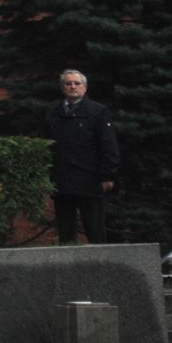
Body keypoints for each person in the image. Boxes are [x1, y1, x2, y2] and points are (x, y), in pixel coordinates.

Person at [44, 68, 119, 245]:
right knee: (66, 232)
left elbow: (108, 144)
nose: (72, 87)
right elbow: (46, 144)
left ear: (84, 87)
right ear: (62, 87)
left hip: (89, 179)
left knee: (94, 229)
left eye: (77, 83)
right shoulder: (53, 112)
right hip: (61, 180)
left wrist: (108, 174)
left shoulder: (97, 111)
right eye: (68, 83)